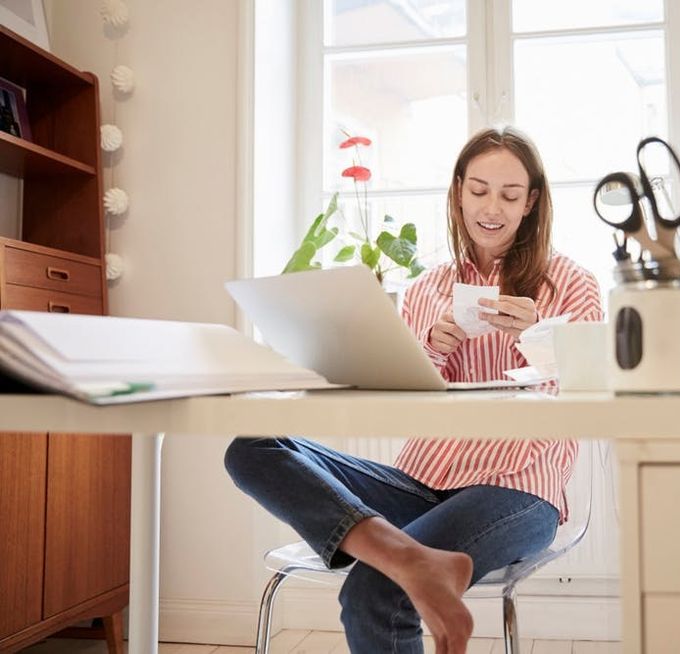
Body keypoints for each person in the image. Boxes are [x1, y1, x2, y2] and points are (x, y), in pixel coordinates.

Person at [224, 126, 602, 654]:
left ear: (531, 202)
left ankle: (399, 563)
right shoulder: (425, 290)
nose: (491, 206)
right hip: (422, 482)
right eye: (478, 190)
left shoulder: (572, 284)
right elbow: (404, 399)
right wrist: (431, 349)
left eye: (510, 194)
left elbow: (588, 391)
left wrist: (540, 336)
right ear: (457, 192)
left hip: (518, 488)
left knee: (375, 588)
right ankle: (407, 557)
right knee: (252, 447)